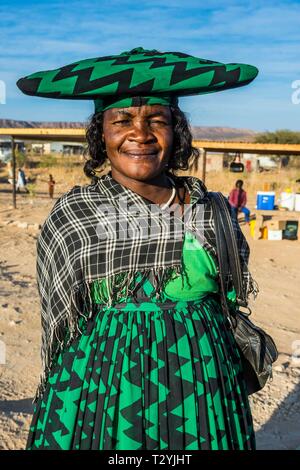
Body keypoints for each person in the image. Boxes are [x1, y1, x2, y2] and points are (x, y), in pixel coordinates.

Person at [17, 47, 259, 450]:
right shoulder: (74, 215)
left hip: (201, 383)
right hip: (103, 388)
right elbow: (59, 319)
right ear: (102, 134)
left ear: (176, 132)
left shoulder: (212, 209)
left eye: (157, 121)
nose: (141, 134)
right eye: (122, 120)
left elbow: (229, 299)